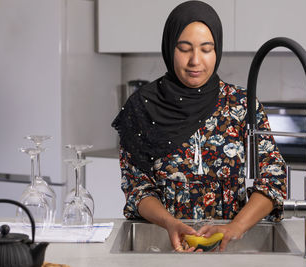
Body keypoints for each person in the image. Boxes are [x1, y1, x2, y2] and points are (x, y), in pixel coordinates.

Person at [112, 0, 286, 252]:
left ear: (217, 50)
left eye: (206, 49)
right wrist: (169, 223)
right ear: (169, 48)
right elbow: (137, 187)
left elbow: (273, 178)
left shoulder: (241, 105)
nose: (195, 60)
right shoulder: (142, 107)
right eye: (184, 49)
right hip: (161, 245)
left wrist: (235, 227)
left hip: (228, 248)